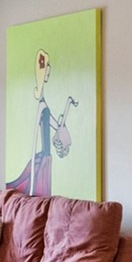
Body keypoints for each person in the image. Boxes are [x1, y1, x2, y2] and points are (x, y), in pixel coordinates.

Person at [5, 49, 78, 196]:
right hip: (43, 158)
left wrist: (62, 127)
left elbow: (55, 125)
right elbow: (35, 136)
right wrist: (32, 169)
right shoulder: (41, 105)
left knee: (45, 196)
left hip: (47, 158)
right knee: (40, 193)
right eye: (47, 68)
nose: (49, 71)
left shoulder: (44, 104)